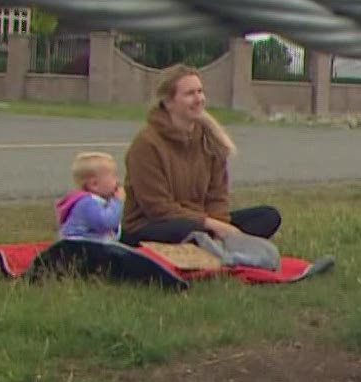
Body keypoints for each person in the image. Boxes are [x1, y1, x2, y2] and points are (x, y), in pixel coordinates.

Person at [121, 65, 282, 246]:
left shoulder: (209, 139)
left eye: (200, 91)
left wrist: (220, 225)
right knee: (188, 230)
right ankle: (216, 246)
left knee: (267, 216)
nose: (199, 99)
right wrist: (210, 225)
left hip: (203, 223)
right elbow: (157, 208)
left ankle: (213, 246)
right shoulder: (146, 144)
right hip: (152, 226)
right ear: (168, 102)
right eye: (190, 94)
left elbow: (217, 196)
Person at [56, 151, 124, 241]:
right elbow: (106, 223)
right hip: (79, 246)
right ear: (94, 184)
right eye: (113, 177)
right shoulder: (86, 203)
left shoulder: (96, 201)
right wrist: (117, 201)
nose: (117, 181)